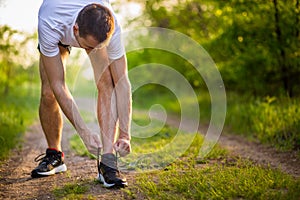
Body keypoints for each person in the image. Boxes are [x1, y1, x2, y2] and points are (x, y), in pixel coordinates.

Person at [31, 0, 132, 189]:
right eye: (88, 47)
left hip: (90, 26)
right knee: (48, 92)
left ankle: (108, 163)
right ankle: (55, 155)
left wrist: (125, 134)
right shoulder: (49, 21)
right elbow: (58, 84)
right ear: (76, 30)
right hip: (60, 24)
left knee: (106, 81)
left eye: (97, 47)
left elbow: (122, 83)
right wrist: (84, 133)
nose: (91, 52)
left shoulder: (111, 23)